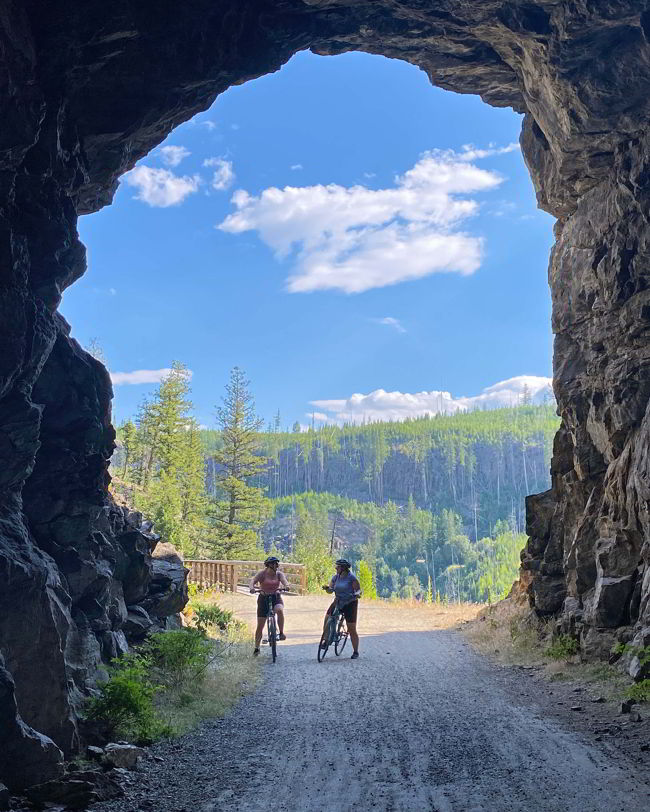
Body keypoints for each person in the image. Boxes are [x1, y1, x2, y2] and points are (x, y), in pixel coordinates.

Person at [322, 558, 362, 659]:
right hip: (338, 601)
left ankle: (355, 651)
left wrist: (357, 594)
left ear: (343, 568)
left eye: (338, 566)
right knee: (327, 618)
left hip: (350, 603)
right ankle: (326, 640)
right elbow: (331, 590)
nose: (336, 568)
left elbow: (358, 590)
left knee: (351, 628)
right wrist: (327, 588)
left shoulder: (352, 578)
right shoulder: (335, 577)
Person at [250, 556, 289, 656]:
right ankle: (257, 647)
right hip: (263, 598)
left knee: (279, 610)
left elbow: (284, 581)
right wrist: (252, 588)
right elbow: (253, 581)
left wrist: (286, 586)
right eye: (274, 564)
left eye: (277, 563)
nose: (276, 565)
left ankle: (281, 632)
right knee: (260, 625)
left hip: (275, 597)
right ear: (269, 565)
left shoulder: (279, 574)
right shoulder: (262, 574)